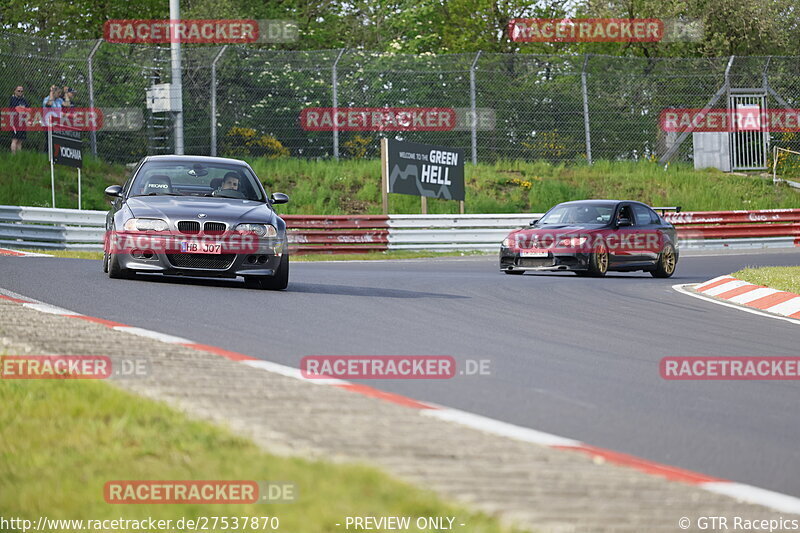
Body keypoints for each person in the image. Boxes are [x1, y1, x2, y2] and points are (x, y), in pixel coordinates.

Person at [9, 86, 29, 153]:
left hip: (23, 122)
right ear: (15, 91)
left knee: (20, 141)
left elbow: (28, 110)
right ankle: (13, 155)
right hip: (15, 122)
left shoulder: (24, 100)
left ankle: (19, 157)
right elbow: (17, 109)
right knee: (15, 140)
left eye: (21, 91)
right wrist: (22, 109)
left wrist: (22, 109)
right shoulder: (13, 99)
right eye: (18, 91)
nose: (20, 92)